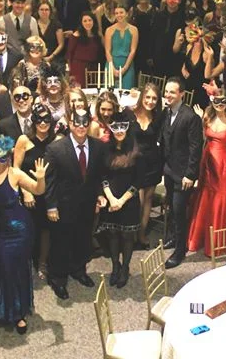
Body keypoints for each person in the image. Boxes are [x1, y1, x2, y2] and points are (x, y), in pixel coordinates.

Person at [0, 136, 46, 334]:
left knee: (17, 269)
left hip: (19, 230)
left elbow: (38, 190)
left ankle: (18, 313)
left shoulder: (15, 174)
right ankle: (3, 307)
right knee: (3, 268)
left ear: (7, 160)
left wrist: (41, 177)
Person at [44, 110, 108, 299]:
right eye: (76, 122)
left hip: (87, 204)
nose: (80, 126)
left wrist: (99, 194)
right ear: (70, 124)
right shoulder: (55, 149)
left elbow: (99, 175)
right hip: (63, 206)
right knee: (61, 242)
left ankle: (78, 270)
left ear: (89, 123)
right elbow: (50, 181)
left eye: (84, 122)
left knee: (83, 239)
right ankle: (57, 278)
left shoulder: (98, 146)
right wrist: (51, 206)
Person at [186, 87, 226, 256]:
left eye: (223, 101)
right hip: (208, 162)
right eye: (216, 101)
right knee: (206, 195)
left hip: (224, 164)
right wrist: (200, 119)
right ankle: (203, 237)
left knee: (223, 195)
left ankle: (221, 241)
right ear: (212, 102)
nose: (220, 104)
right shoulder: (208, 116)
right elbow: (203, 138)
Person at [161, 78, 203, 268]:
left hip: (183, 174)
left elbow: (196, 148)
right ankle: (173, 238)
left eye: (172, 92)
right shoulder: (166, 112)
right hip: (169, 170)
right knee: (171, 206)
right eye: (166, 91)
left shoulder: (190, 117)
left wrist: (190, 175)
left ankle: (180, 251)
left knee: (179, 211)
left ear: (181, 95)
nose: (168, 95)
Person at [96, 116, 141, 288]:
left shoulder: (137, 150)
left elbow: (139, 180)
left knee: (127, 236)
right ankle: (115, 265)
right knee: (112, 234)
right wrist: (111, 198)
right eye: (116, 127)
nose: (120, 131)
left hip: (128, 200)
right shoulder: (105, 149)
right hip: (111, 199)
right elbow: (102, 175)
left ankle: (125, 268)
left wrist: (121, 201)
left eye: (123, 127)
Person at [13, 104, 55, 280]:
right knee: (27, 228)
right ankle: (26, 262)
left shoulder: (56, 140)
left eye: (46, 119)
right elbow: (16, 168)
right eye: (39, 119)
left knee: (46, 230)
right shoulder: (23, 140)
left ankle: (43, 263)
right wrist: (26, 191)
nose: (43, 123)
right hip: (28, 192)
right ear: (33, 121)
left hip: (48, 193)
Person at [124, 83, 163, 247]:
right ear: (142, 97)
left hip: (153, 163)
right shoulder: (129, 113)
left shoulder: (158, 117)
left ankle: (142, 233)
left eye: (154, 98)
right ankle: (132, 234)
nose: (150, 101)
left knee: (148, 199)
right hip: (135, 164)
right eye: (148, 97)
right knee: (137, 201)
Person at [103, 6, 138, 89]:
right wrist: (112, 68)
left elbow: (133, 50)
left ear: (126, 14)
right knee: (109, 92)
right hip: (112, 63)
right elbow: (107, 51)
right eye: (116, 13)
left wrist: (125, 68)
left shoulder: (134, 30)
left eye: (121, 12)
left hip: (127, 64)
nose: (119, 15)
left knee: (127, 91)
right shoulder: (109, 30)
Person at [66, 11, 104, 87]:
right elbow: (69, 54)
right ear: (81, 23)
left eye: (90, 20)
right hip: (79, 67)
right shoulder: (76, 35)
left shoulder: (98, 35)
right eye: (85, 21)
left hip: (94, 67)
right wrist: (70, 71)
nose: (88, 23)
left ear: (93, 21)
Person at [129, 0, 158, 75]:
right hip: (136, 44)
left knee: (148, 73)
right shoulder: (132, 10)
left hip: (150, 45)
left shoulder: (155, 10)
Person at [35, 2, 65, 67]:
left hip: (54, 58)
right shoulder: (33, 23)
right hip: (37, 58)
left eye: (46, 10)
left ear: (50, 11)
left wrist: (51, 57)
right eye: (42, 9)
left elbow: (61, 44)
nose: (44, 12)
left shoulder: (56, 24)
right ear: (38, 11)